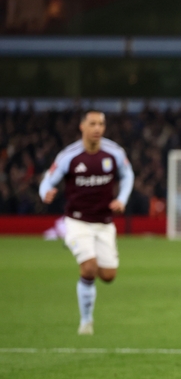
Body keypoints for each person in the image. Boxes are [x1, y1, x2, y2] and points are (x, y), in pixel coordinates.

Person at [39, 110, 134, 335]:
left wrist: (121, 199)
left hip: (104, 222)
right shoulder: (69, 156)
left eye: (101, 123)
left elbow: (128, 175)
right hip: (77, 221)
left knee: (109, 275)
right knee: (89, 268)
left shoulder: (114, 153)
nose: (97, 128)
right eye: (92, 123)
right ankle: (86, 322)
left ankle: (88, 256)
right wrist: (45, 192)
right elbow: (48, 179)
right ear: (82, 127)